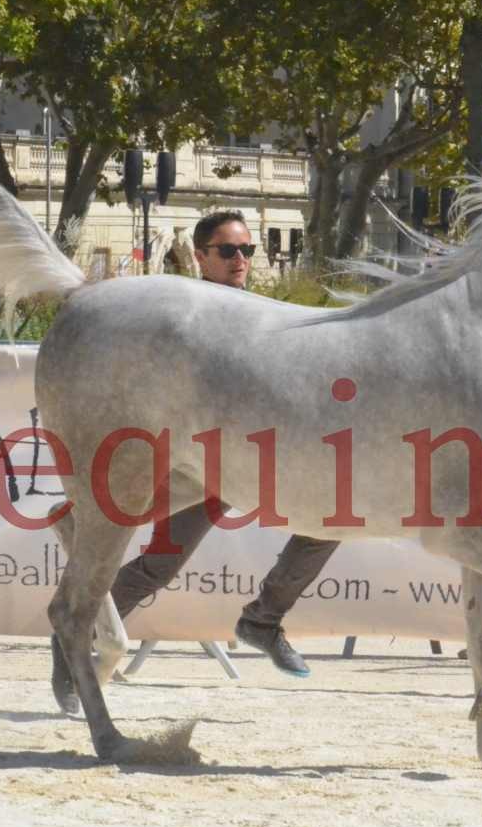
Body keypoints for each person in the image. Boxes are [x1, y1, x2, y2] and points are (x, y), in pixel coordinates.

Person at [96, 210, 333, 677]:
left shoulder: (267, 311)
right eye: (228, 250)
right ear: (200, 256)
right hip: (197, 461)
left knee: (331, 516)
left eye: (247, 250)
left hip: (258, 457)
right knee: (157, 568)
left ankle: (264, 619)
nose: (240, 259)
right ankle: (80, 635)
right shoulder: (180, 316)